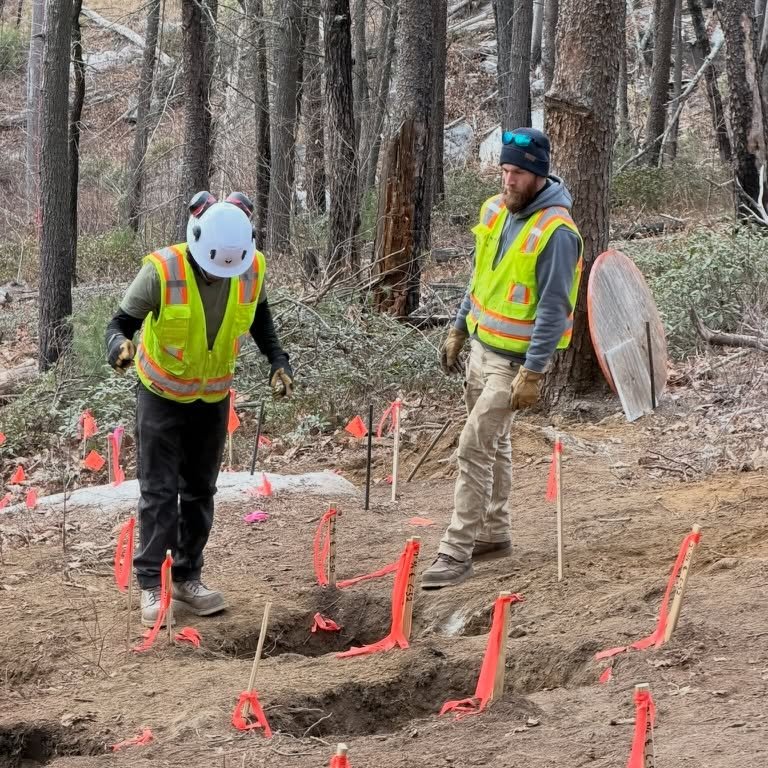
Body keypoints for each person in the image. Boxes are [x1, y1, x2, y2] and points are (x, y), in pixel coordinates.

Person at [105, 191, 293, 625]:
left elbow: (260, 318)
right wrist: (118, 345)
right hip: (160, 396)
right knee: (159, 491)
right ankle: (152, 584)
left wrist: (277, 360)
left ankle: (188, 576)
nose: (220, 276)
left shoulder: (251, 267)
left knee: (200, 491)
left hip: (212, 397)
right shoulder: (161, 270)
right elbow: (120, 323)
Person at [421, 128, 583, 590]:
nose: (507, 180)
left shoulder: (557, 233)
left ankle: (456, 550)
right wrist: (457, 326)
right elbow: (480, 278)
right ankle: (495, 532)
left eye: (517, 173)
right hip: (479, 348)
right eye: (504, 170)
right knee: (496, 444)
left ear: (538, 174)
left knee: (474, 445)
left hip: (513, 365)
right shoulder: (495, 210)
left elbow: (555, 308)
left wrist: (534, 371)